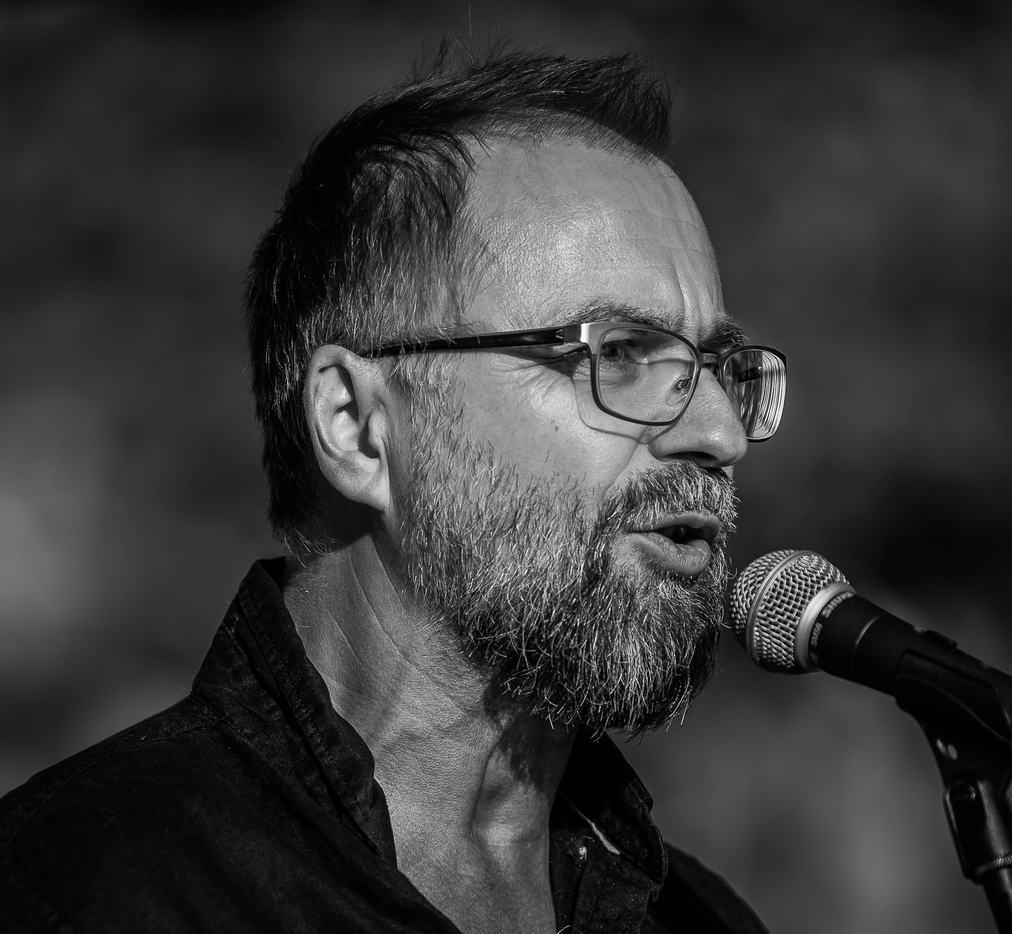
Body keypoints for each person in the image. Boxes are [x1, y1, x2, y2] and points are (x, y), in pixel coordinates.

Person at [0, 48, 785, 933]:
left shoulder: (706, 921)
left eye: (720, 367)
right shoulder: (70, 894)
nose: (719, 432)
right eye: (621, 353)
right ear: (356, 426)